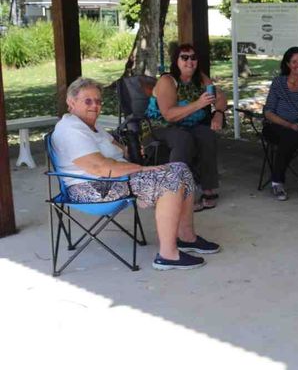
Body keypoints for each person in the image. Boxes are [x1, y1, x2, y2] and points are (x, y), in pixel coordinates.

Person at [52, 77, 220, 270]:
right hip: (91, 188)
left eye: (98, 101)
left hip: (114, 178)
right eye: (87, 101)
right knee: (169, 179)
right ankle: (167, 255)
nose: (94, 106)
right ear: (71, 102)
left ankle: (187, 237)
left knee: (181, 169)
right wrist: (141, 168)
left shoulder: (92, 126)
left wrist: (128, 150)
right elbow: (99, 167)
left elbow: (115, 148)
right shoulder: (71, 130)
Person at [145, 43, 227, 211]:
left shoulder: (200, 78)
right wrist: (199, 104)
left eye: (193, 58)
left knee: (207, 135)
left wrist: (219, 113)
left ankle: (208, 188)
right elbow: (169, 114)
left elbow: (220, 97)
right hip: (161, 126)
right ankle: (177, 193)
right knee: (183, 139)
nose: (190, 61)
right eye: (184, 57)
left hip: (189, 124)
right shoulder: (167, 81)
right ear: (176, 61)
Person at [262, 46, 298, 201]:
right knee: (290, 136)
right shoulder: (278, 83)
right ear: (287, 64)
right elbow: (268, 112)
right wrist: (288, 125)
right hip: (276, 125)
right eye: (294, 62)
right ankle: (277, 182)